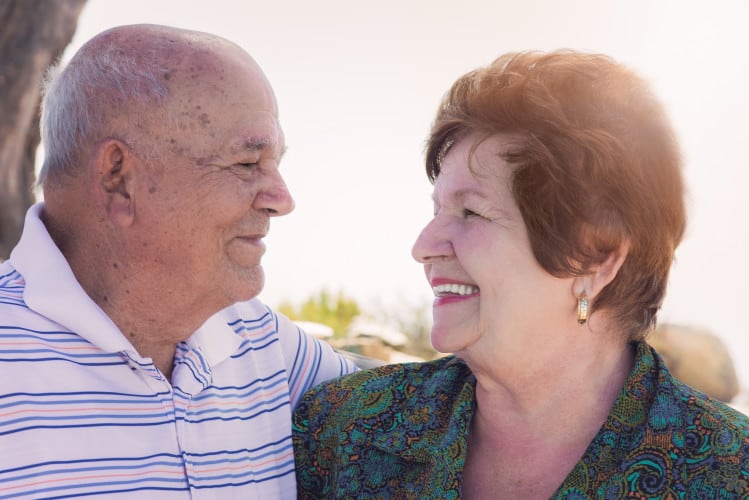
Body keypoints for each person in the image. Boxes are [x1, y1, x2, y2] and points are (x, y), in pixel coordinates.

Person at [293, 50, 749, 498]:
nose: (423, 247)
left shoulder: (731, 472)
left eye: (471, 212)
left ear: (596, 256)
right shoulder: (343, 432)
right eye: (437, 210)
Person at [0, 24, 356, 498]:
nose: (281, 199)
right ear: (118, 177)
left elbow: (450, 410)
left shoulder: (267, 348)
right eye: (247, 164)